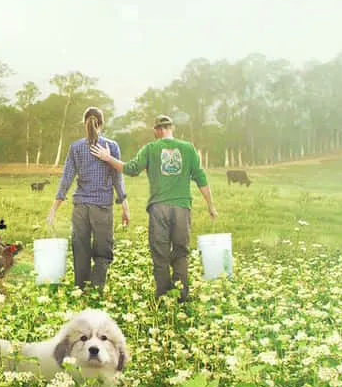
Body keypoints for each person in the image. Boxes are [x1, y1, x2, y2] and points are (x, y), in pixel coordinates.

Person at [90, 114, 217, 303]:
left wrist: (108, 158)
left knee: (160, 254)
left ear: (156, 131)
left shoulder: (150, 148)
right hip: (182, 208)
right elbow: (201, 179)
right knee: (181, 252)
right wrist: (211, 206)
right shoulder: (189, 149)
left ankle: (163, 297)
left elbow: (131, 169)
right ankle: (181, 296)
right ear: (171, 128)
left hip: (159, 209)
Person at [47, 106, 131, 290]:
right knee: (103, 253)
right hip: (102, 208)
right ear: (101, 123)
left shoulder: (76, 148)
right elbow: (118, 179)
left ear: (84, 123)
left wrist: (53, 210)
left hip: (80, 208)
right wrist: (125, 207)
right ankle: (96, 290)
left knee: (81, 252)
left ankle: (81, 291)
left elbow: (66, 180)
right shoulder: (111, 146)